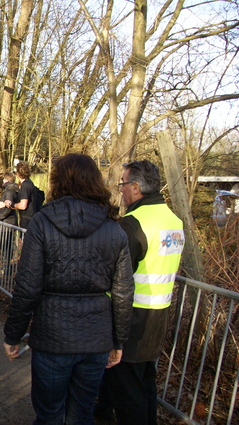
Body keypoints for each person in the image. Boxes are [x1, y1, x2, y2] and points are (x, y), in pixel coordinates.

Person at [3, 153, 134, 424]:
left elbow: (27, 286)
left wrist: (13, 334)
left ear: (57, 181)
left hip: (53, 336)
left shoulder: (42, 223)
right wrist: (117, 340)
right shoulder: (114, 228)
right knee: (81, 414)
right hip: (95, 338)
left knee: (49, 414)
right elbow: (123, 292)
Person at [97, 160, 185, 425]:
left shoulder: (132, 225)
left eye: (123, 184)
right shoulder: (174, 221)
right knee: (145, 384)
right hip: (159, 316)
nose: (120, 190)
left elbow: (113, 278)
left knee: (127, 392)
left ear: (135, 188)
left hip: (130, 318)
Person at [13, 161, 36, 229]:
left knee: (23, 239)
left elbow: (23, 205)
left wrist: (12, 205)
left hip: (27, 220)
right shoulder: (28, 183)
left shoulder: (25, 185)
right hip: (29, 218)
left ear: (18, 173)